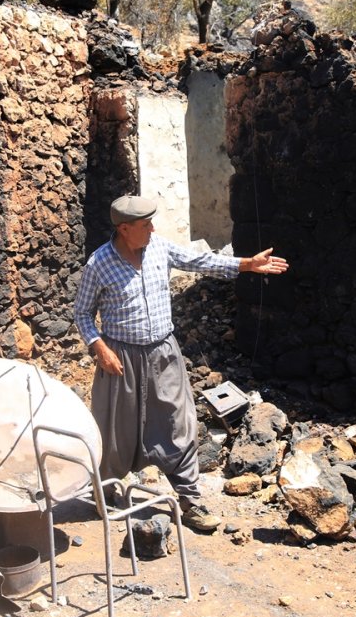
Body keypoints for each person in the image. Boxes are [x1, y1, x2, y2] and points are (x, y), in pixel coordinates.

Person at [74, 195, 289, 532]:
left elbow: (199, 261)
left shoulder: (159, 247)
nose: (152, 229)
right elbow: (82, 313)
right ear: (124, 229)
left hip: (163, 353)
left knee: (179, 421)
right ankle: (108, 490)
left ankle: (189, 500)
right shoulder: (98, 263)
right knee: (115, 430)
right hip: (120, 358)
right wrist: (98, 347)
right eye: (145, 225)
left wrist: (246, 265)